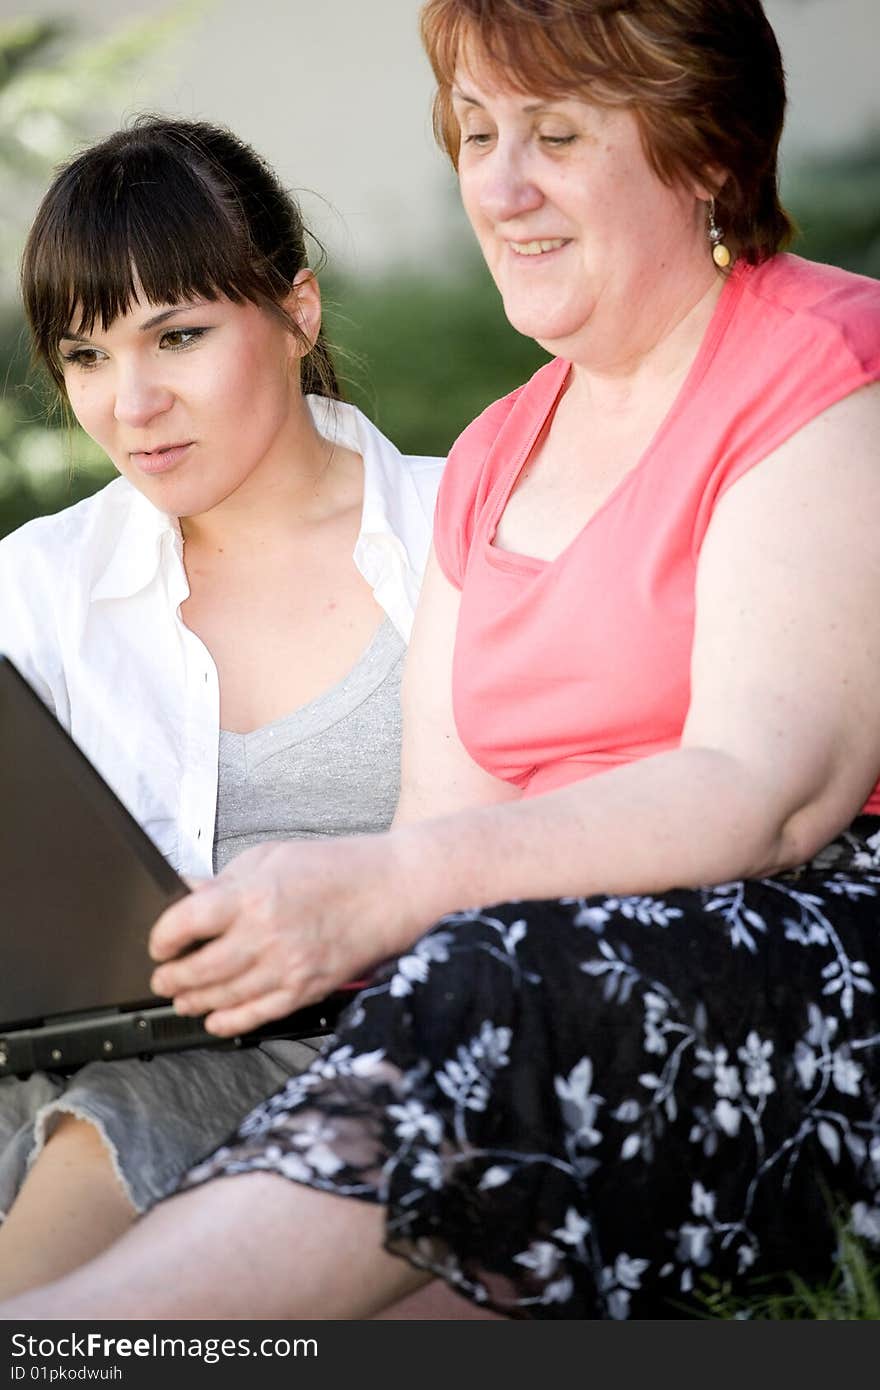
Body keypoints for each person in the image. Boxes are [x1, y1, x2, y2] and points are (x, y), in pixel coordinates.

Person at [3, 0, 880, 1322]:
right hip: (532, 1006)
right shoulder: (496, 458)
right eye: (476, 135)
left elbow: (772, 787)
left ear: (705, 146)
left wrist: (384, 890)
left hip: (769, 965)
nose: (504, 186)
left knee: (476, 989)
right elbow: (443, 836)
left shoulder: (815, 356)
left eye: (556, 134)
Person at [0, 116, 442, 1299]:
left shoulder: (467, 540)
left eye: (178, 335)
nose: (129, 403)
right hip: (70, 1063)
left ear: (296, 311)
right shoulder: (33, 590)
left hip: (378, 1066)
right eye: (85, 356)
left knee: (110, 1133)